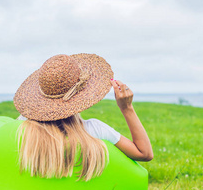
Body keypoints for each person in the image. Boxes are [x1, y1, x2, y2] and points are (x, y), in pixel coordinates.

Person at [13, 53, 153, 181]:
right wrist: (127, 108)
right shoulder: (95, 130)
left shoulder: (21, 129)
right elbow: (144, 153)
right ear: (82, 93)